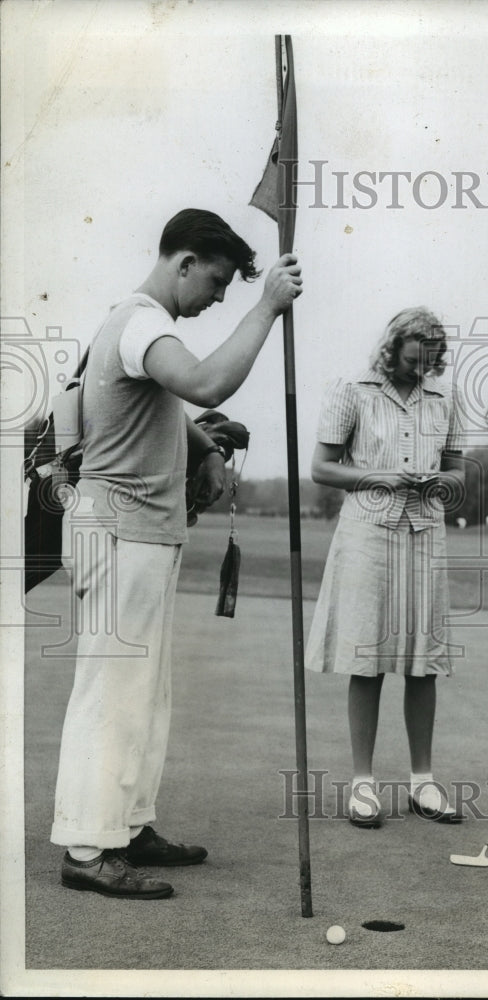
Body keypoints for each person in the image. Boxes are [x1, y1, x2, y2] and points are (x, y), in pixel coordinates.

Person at [52, 208, 303, 898]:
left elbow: (167, 409)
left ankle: (127, 827)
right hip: (120, 530)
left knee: (144, 696)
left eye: (231, 289)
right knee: (112, 695)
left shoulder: (136, 326)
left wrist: (206, 448)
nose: (219, 296)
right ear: (183, 261)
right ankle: (85, 847)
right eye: (217, 282)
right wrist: (266, 309)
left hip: (142, 531)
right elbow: (206, 385)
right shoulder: (142, 323)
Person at [305, 307, 466, 828]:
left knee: (424, 662)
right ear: (392, 348)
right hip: (367, 534)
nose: (422, 372)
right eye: (413, 361)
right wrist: (380, 477)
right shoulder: (350, 388)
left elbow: (458, 472)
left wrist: (438, 483)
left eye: (431, 363)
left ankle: (423, 783)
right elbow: (322, 468)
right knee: (366, 657)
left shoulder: (446, 398)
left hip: (426, 535)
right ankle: (363, 784)